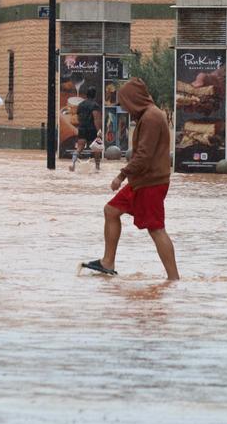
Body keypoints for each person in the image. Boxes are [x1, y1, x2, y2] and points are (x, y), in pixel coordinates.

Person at [83, 78, 179, 280]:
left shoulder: (152, 117)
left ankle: (173, 279)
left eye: (124, 102)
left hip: (150, 183)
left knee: (156, 229)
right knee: (111, 210)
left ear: (134, 99)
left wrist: (121, 175)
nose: (123, 107)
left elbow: (143, 156)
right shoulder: (148, 115)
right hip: (141, 181)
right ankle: (107, 262)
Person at [70, 87, 103, 171]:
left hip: (82, 128)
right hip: (92, 129)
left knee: (79, 148)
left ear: (86, 94)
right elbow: (96, 119)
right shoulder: (95, 105)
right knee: (96, 148)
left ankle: (72, 163)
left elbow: (78, 118)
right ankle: (97, 167)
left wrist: (81, 125)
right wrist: (99, 131)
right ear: (94, 95)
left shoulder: (81, 105)